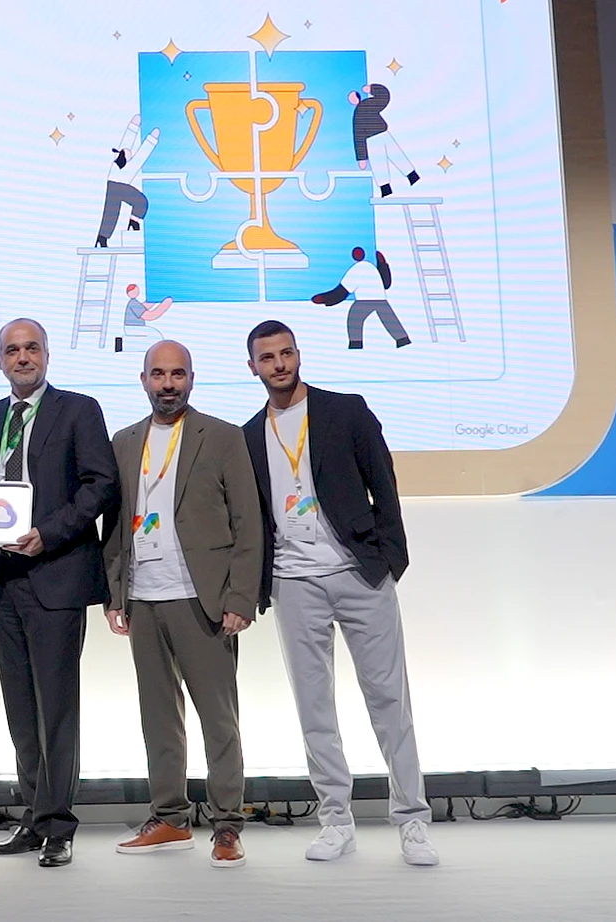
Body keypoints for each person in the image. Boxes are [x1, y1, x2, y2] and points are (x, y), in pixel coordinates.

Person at [240, 320, 439, 867]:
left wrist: (390, 559)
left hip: (358, 572)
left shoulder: (344, 410)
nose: (278, 364)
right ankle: (335, 820)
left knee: (389, 700)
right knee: (314, 707)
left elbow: (384, 481)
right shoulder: (248, 435)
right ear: (252, 366)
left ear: (298, 355)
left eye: (285, 353)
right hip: (293, 580)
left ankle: (413, 821)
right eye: (267, 357)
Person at [102, 341, 262, 867]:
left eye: (178, 374)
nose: (168, 384)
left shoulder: (222, 436)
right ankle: (169, 817)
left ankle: (227, 823)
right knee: (158, 717)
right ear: (142, 379)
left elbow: (248, 522)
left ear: (192, 378)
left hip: (204, 597)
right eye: (158, 375)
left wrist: (241, 597)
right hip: (143, 597)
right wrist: (114, 592)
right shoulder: (124, 441)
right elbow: (114, 523)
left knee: (219, 718)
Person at [0, 318, 119, 867]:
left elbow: (101, 484)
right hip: (2, 582)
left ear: (47, 355)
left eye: (32, 347)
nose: (23, 357)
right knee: (19, 708)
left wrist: (47, 534)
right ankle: (33, 817)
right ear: (0, 360)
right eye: (12, 349)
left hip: (55, 575)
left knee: (56, 708)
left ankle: (59, 824)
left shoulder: (79, 410)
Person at [312, 246, 411, 349]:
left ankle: (355, 344)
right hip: (381, 299)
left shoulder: (356, 270)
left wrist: (324, 299)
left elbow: (341, 292)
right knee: (389, 319)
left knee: (354, 320)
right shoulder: (371, 267)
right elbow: (386, 283)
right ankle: (403, 339)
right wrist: (382, 265)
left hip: (365, 301)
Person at [96, 115, 160, 247]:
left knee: (136, 202)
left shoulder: (130, 163)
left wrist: (148, 137)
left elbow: (142, 153)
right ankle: (104, 236)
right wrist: (148, 137)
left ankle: (132, 222)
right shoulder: (119, 161)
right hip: (115, 185)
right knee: (113, 210)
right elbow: (132, 146)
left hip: (119, 186)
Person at [350, 84, 419, 198]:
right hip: (371, 141)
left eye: (352, 97)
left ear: (357, 97)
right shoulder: (357, 116)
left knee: (397, 155)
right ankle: (385, 189)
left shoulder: (368, 104)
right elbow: (358, 137)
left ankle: (412, 176)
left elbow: (384, 97)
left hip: (383, 134)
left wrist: (372, 88)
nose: (351, 100)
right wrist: (362, 158)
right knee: (378, 164)